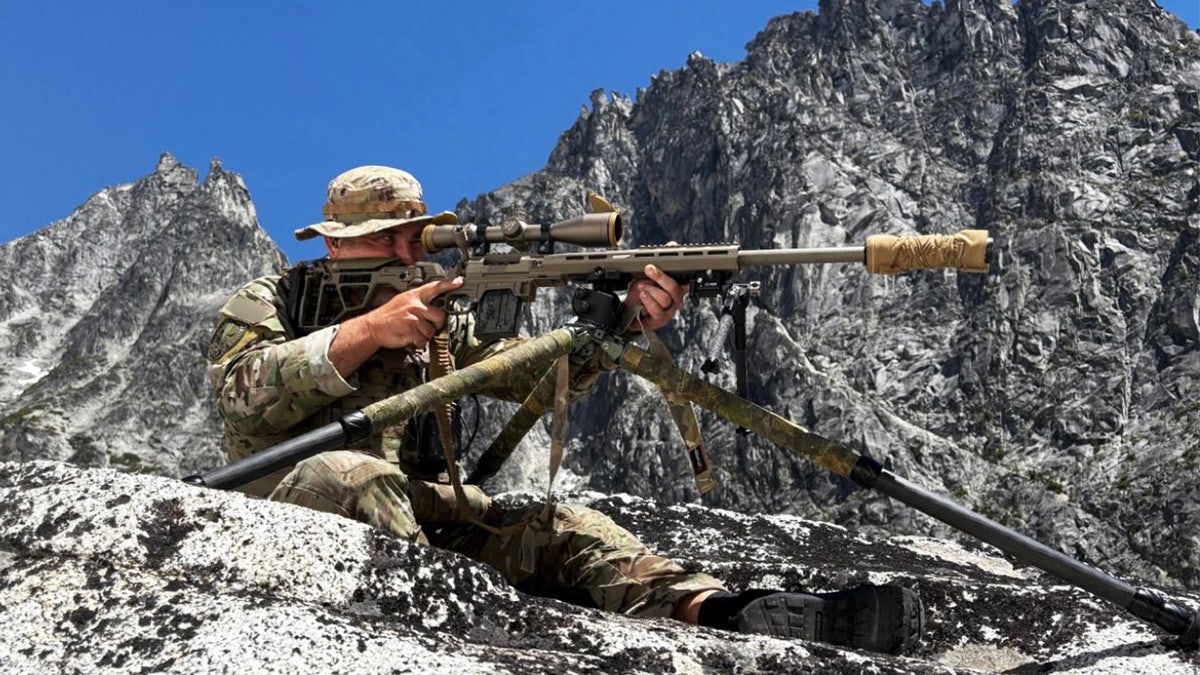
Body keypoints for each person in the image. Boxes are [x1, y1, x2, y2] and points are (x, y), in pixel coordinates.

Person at [207, 165, 924, 653]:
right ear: (335, 243)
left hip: (421, 519)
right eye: (383, 239)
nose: (405, 252)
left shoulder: (439, 313)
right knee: (350, 473)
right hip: (289, 507)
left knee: (567, 528)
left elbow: (529, 375)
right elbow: (242, 397)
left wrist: (621, 322)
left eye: (413, 237)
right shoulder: (272, 300)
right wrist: (369, 331)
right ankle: (438, 638)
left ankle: (730, 614)